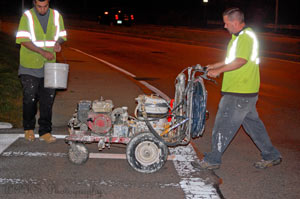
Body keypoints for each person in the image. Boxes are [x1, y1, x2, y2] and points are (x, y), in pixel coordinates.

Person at [192, 8, 281, 170]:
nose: (225, 26)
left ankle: (212, 160)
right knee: (254, 126)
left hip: (239, 91)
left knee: (222, 125)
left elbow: (241, 61)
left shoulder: (245, 38)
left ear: (234, 22)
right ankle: (271, 155)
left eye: (226, 23)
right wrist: (213, 65)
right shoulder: (238, 37)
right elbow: (232, 59)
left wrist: (218, 71)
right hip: (245, 91)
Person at [16, 0, 67, 143]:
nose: (43, 9)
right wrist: (42, 52)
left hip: (49, 66)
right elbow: (23, 40)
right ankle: (29, 129)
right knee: (30, 98)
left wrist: (58, 43)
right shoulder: (27, 16)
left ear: (49, 3)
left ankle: (45, 131)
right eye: (39, 6)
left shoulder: (57, 16)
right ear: (34, 3)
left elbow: (62, 34)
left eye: (45, 6)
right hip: (29, 65)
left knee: (47, 100)